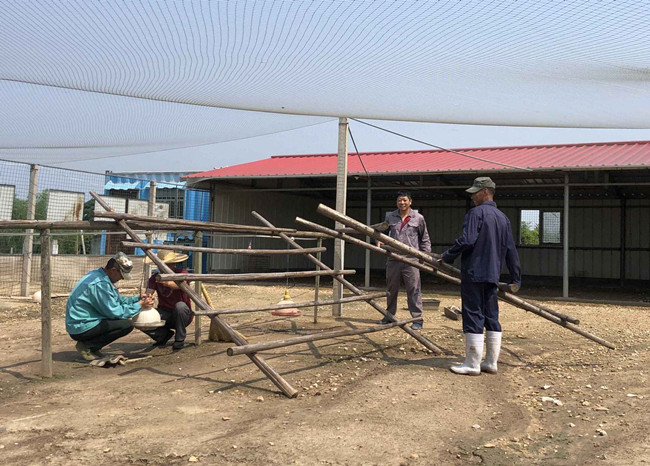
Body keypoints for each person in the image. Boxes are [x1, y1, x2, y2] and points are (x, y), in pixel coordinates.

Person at [441, 176, 521, 376]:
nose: (472, 196)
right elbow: (511, 250)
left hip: (474, 273)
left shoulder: (475, 213)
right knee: (491, 316)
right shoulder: (503, 218)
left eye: (475, 193)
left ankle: (472, 364)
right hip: (493, 275)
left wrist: (447, 256)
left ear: (485, 192)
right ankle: (491, 363)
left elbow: (468, 240)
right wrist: (515, 278)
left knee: (473, 314)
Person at [66, 252, 154, 361]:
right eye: (121, 275)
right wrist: (140, 305)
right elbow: (115, 312)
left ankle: (93, 347)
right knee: (126, 324)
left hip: (81, 322)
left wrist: (137, 299)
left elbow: (116, 300)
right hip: (81, 326)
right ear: (113, 270)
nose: (121, 279)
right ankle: (87, 346)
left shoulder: (99, 275)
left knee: (120, 321)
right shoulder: (100, 284)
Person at [380, 190, 431, 330]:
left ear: (410, 201)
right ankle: (389, 316)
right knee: (391, 288)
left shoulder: (418, 218)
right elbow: (382, 232)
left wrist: (425, 255)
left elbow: (425, 238)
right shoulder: (391, 217)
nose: (402, 203)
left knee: (414, 288)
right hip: (394, 258)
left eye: (404, 200)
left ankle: (417, 319)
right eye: (399, 200)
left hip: (411, 259)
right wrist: (379, 240)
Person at [145, 249, 193, 350]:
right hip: (165, 313)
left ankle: (179, 340)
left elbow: (179, 285)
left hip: (183, 315)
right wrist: (147, 298)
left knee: (180, 307)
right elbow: (149, 292)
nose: (168, 267)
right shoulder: (154, 278)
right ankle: (163, 335)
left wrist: (163, 280)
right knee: (143, 315)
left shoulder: (182, 273)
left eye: (170, 264)